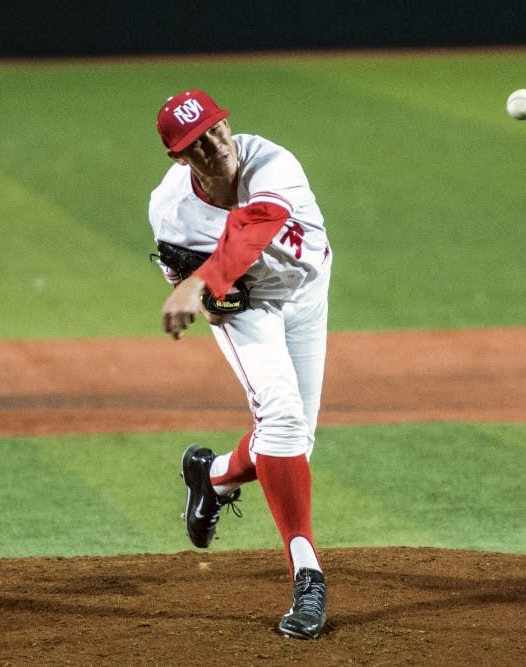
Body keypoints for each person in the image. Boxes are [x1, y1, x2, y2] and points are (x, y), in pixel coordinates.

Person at [148, 89, 332, 640]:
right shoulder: (171, 211)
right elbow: (202, 296)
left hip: (307, 294)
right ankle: (308, 576)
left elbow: (259, 221)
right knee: (281, 419)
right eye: (196, 143)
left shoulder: (272, 161)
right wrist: (206, 292)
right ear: (180, 158)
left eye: (215, 129)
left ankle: (212, 477)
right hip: (248, 307)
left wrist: (201, 281)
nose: (214, 145)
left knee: (295, 439)